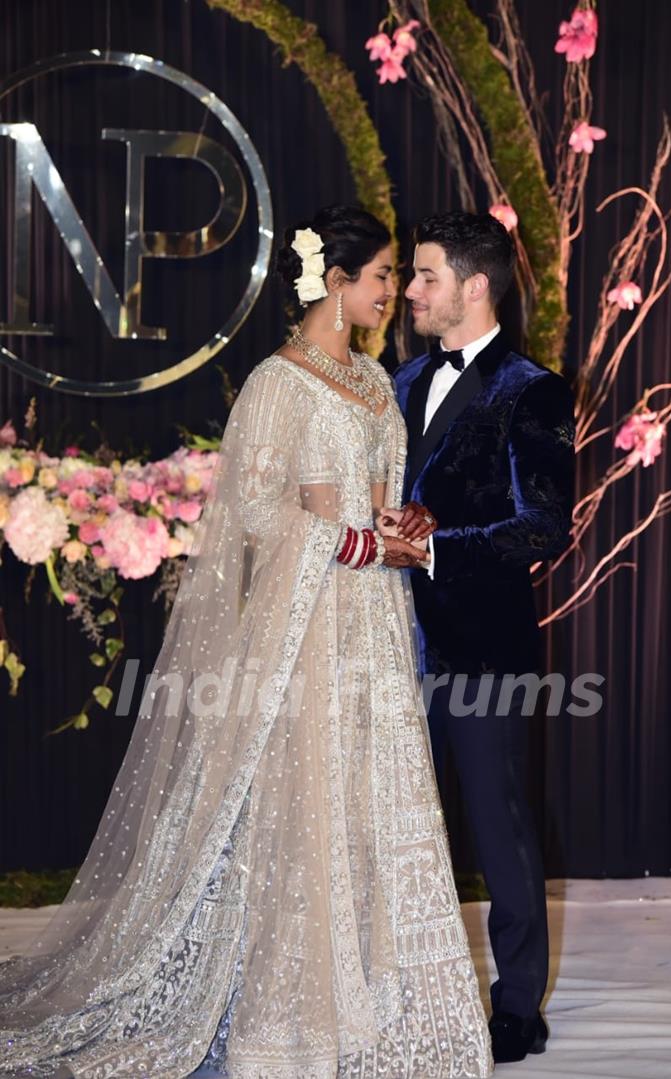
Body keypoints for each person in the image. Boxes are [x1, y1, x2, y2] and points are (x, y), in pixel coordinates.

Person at [0, 206, 492, 1078]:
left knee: (371, 794)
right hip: (306, 627)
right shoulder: (278, 383)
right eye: (382, 274)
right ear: (337, 283)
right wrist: (344, 540)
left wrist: (400, 520)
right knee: (308, 799)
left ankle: (377, 999)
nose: (394, 290)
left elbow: (377, 490)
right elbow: (257, 510)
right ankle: (295, 1013)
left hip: (376, 620)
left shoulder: (377, 381)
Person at [392, 211, 576, 1065]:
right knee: (395, 824)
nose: (411, 291)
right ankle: (399, 986)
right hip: (390, 645)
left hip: (482, 651)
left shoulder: (532, 389)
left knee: (500, 831)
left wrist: (429, 547)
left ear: (475, 286)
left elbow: (543, 527)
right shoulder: (398, 380)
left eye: (426, 276)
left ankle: (517, 1004)